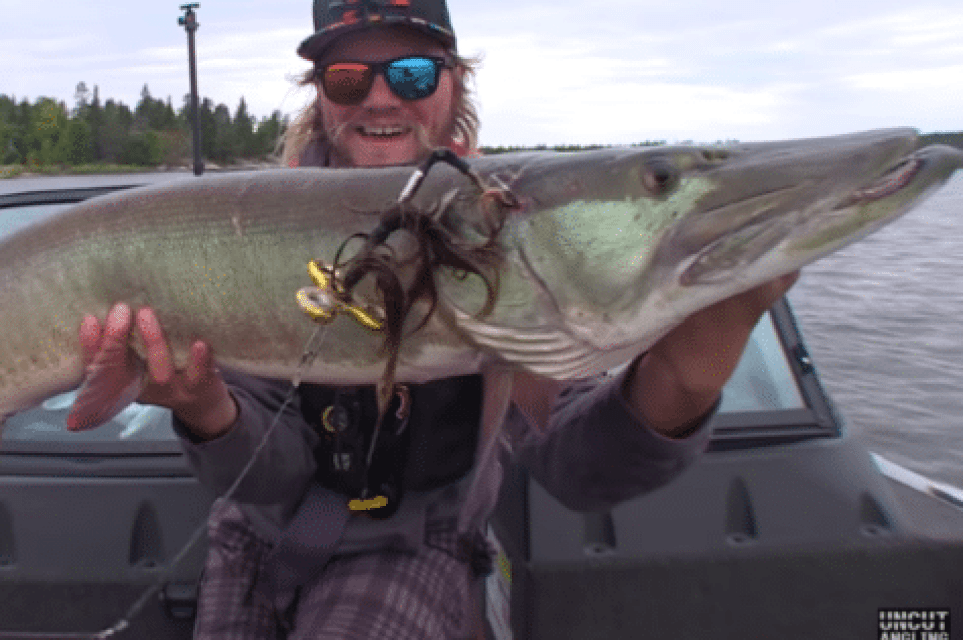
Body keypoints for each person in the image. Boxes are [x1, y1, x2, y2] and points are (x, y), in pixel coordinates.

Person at [78, 1, 797, 637]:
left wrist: (693, 370)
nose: (381, 98)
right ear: (322, 97)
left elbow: (579, 465)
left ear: (454, 87)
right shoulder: (247, 231)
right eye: (350, 79)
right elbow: (269, 477)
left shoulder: (509, 230)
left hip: (411, 544)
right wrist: (207, 409)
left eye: (415, 74)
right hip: (255, 534)